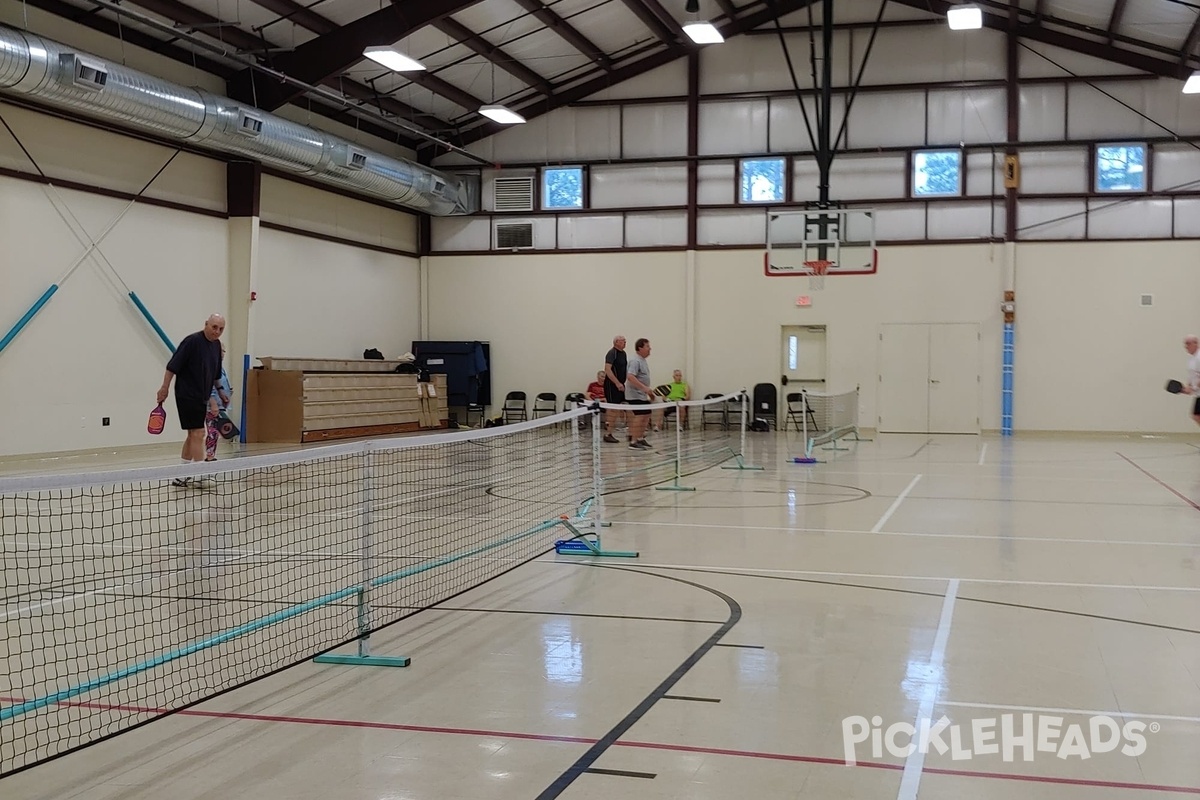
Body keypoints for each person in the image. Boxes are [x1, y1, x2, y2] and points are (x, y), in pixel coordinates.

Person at [157, 314, 227, 484]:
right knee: (199, 433)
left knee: (192, 435)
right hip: (186, 394)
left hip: (202, 396)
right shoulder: (192, 342)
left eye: (221, 329)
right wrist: (164, 387)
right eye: (214, 327)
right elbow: (172, 367)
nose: (217, 331)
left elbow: (216, 373)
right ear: (206, 324)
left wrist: (221, 391)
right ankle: (201, 474)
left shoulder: (216, 346)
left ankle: (182, 475)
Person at [204, 343, 233, 461]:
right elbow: (207, 386)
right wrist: (213, 403)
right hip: (211, 406)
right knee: (213, 432)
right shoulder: (209, 367)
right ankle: (209, 456)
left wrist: (228, 393)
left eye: (223, 351)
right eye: (220, 351)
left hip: (220, 405)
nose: (222, 354)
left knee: (216, 432)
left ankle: (211, 454)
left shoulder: (220, 368)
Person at [624, 338, 654, 449]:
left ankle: (640, 438)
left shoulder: (642, 360)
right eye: (647, 346)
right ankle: (633, 441)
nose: (650, 348)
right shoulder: (635, 361)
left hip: (642, 395)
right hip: (634, 394)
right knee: (640, 416)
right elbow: (630, 376)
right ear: (640, 348)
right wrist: (644, 388)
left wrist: (647, 391)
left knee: (646, 414)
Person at [602, 336, 627, 443]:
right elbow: (607, 369)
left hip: (621, 385)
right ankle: (608, 434)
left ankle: (632, 433)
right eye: (623, 341)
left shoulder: (623, 353)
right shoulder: (612, 353)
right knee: (613, 408)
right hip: (612, 385)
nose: (625, 342)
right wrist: (617, 383)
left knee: (626, 406)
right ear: (616, 342)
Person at [1182, 335, 1200, 429]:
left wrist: (1195, 387)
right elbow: (1192, 375)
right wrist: (1188, 386)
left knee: (1197, 416)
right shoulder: (1191, 358)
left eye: (1188, 343)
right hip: (1198, 393)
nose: (1186, 346)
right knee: (1196, 416)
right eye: (1185, 344)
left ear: (1196, 343)